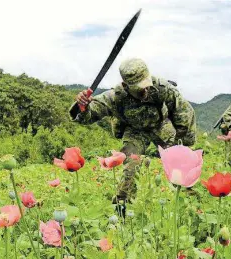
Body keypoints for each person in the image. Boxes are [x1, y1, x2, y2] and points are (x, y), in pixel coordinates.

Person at [69, 58, 196, 204]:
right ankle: (123, 204)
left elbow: (184, 113)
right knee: (131, 164)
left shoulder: (162, 87)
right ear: (125, 86)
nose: (146, 90)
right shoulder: (114, 97)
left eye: (147, 85)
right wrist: (83, 107)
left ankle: (190, 201)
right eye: (140, 89)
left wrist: (182, 146)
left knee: (179, 160)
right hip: (135, 131)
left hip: (160, 125)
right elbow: (89, 115)